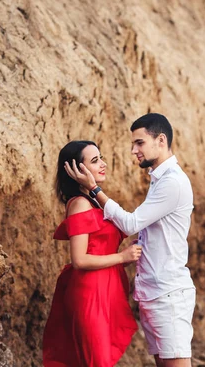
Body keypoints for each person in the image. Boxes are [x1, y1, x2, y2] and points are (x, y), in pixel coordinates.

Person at [65, 113, 196, 367]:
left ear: (161, 140)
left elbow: (132, 223)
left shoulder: (173, 182)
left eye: (139, 143)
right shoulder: (158, 179)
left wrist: (95, 190)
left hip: (168, 294)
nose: (133, 150)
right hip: (154, 293)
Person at [43, 140, 142, 367]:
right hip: (90, 294)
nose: (103, 164)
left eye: (101, 158)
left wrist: (128, 257)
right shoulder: (80, 204)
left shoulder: (94, 203)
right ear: (78, 170)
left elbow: (101, 251)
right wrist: (122, 257)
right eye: (95, 160)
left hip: (105, 290)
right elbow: (79, 260)